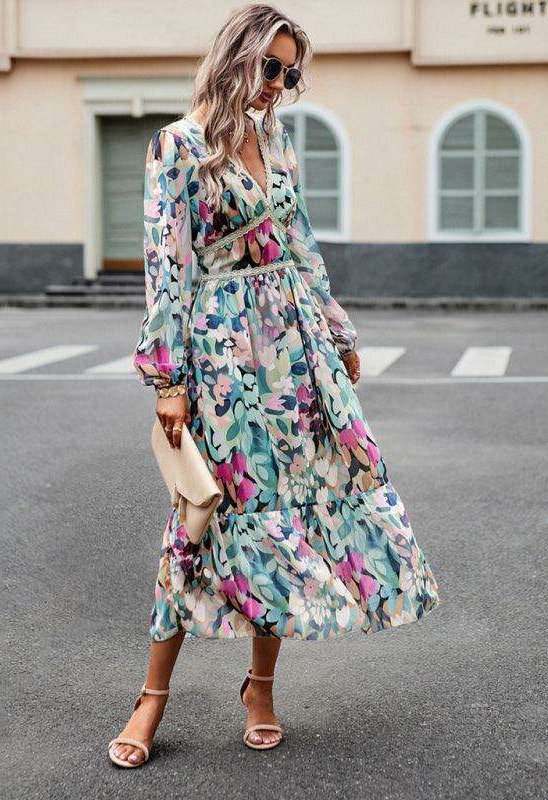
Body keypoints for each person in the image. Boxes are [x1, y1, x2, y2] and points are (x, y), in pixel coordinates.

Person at [108, 3, 441, 768]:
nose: (278, 84)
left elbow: (299, 244)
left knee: (289, 514)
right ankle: (151, 697)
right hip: (221, 355)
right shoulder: (176, 147)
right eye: (270, 66)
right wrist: (167, 378)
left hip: (292, 351)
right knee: (199, 519)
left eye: (290, 74)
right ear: (236, 55)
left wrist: (337, 332)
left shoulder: (274, 140)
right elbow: (167, 269)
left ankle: (259, 688)